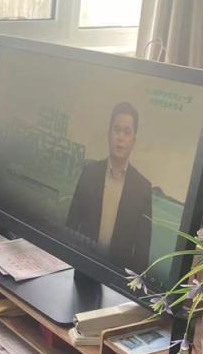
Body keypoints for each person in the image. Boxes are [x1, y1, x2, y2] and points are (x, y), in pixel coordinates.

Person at [65, 102, 152, 272]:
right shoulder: (89, 173)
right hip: (81, 268)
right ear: (108, 134)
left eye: (126, 132)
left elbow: (142, 252)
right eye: (116, 130)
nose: (120, 137)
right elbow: (71, 225)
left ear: (133, 140)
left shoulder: (143, 188)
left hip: (116, 278)